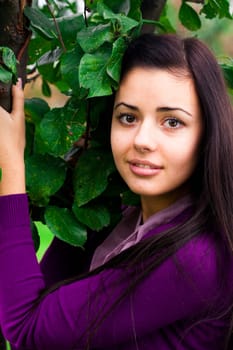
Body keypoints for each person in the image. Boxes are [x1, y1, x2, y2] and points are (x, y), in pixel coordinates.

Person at [0, 32, 233, 350]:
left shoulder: (195, 257)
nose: (142, 140)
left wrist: (10, 164)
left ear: (209, 133)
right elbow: (46, 305)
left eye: (172, 122)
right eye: (128, 117)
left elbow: (28, 331)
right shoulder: (123, 219)